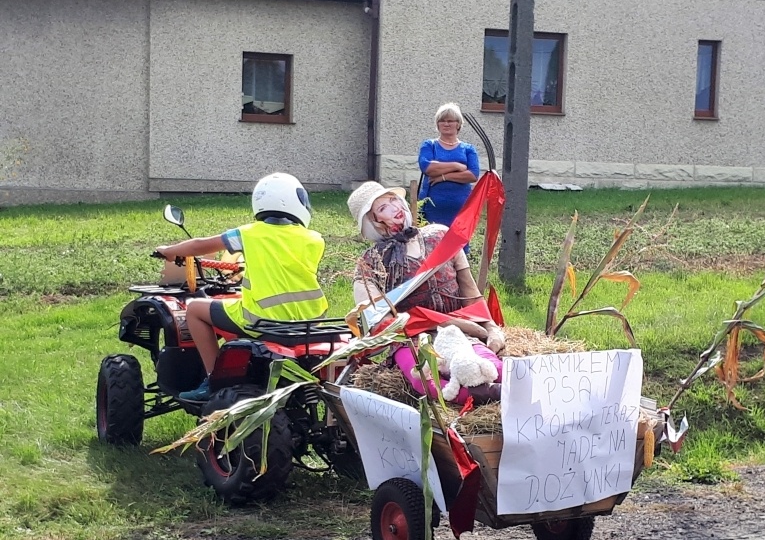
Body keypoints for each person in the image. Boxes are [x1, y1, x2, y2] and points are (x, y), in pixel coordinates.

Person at [156, 172, 328, 401]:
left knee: (195, 309)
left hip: (263, 319)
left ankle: (212, 378)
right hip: (311, 320)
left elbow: (201, 245)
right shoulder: (315, 239)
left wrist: (169, 251)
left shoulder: (248, 235)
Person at [347, 181, 504, 405]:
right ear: (372, 223)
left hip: (457, 334)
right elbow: (379, 323)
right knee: (425, 380)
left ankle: (500, 389)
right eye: (382, 208)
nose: (394, 208)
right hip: (412, 340)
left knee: (494, 367)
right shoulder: (368, 264)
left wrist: (490, 327)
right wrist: (436, 323)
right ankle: (485, 394)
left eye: (393, 200)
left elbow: (470, 290)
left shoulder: (440, 237)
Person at [417, 103, 480, 233]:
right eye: (442, 121)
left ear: (458, 124)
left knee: (458, 247)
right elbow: (427, 168)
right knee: (431, 242)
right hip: (432, 207)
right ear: (437, 124)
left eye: (450, 121)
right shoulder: (429, 145)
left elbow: (473, 175)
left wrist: (444, 177)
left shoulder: (468, 149)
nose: (446, 124)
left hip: (460, 206)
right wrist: (457, 166)